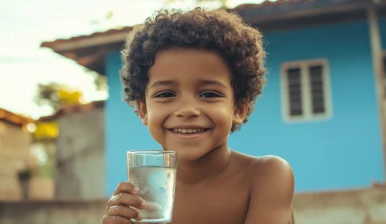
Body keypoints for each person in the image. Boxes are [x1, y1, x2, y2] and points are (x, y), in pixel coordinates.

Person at [102, 7, 295, 224]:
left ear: (238, 108)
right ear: (144, 109)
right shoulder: (144, 197)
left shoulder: (266, 176)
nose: (187, 109)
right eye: (166, 94)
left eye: (209, 94)